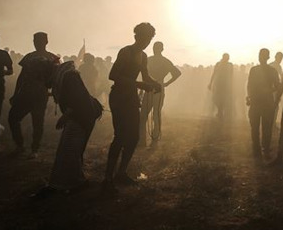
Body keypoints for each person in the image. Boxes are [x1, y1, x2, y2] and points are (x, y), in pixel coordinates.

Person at [103, 23, 160, 192]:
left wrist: (154, 83)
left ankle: (121, 172)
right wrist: (139, 84)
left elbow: (146, 76)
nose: (146, 42)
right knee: (120, 136)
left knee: (134, 137)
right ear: (136, 37)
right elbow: (113, 75)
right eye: (144, 38)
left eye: (149, 39)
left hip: (131, 97)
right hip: (119, 96)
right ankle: (108, 178)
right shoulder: (126, 52)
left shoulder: (143, 56)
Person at [37, 61, 103, 196]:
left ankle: (69, 183)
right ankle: (75, 181)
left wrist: (64, 117)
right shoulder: (63, 76)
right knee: (70, 150)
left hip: (81, 117)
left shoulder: (69, 76)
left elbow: (77, 99)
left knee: (69, 150)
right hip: (79, 116)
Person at [8, 32, 60, 157]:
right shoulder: (29, 57)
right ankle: (20, 145)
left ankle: (34, 149)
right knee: (13, 118)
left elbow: (56, 78)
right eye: (35, 41)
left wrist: (55, 93)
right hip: (26, 93)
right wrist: (16, 93)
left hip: (40, 94)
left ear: (46, 42)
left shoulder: (53, 58)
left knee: (37, 122)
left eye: (39, 41)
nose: (36, 43)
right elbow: (21, 77)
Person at [140, 41, 181, 146]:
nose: (155, 49)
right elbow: (177, 73)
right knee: (144, 114)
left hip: (156, 87)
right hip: (149, 87)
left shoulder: (160, 61)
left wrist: (167, 83)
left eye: (157, 48)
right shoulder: (152, 60)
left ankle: (154, 137)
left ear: (161, 49)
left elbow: (177, 73)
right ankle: (142, 139)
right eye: (155, 47)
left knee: (155, 114)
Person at [246, 48, 281, 159]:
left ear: (267, 57)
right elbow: (249, 85)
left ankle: (264, 149)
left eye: (263, 55)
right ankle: (258, 150)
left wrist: (268, 92)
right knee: (256, 127)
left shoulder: (270, 71)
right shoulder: (255, 70)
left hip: (265, 102)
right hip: (258, 102)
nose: (261, 57)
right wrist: (249, 96)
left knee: (265, 128)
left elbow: (278, 86)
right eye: (260, 55)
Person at [208, 53, 233, 121]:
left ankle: (220, 111)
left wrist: (231, 85)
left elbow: (231, 76)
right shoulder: (218, 64)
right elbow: (214, 73)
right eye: (226, 58)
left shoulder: (230, 65)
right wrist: (210, 83)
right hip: (218, 84)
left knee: (223, 99)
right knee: (215, 98)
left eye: (227, 58)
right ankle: (220, 110)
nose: (227, 59)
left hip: (225, 84)